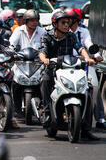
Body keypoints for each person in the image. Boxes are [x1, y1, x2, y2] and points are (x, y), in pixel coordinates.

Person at [38, 11, 99, 140]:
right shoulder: (47, 36)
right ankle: (47, 114)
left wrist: (87, 58)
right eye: (63, 23)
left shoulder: (71, 36)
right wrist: (44, 59)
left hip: (69, 69)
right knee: (45, 81)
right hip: (52, 69)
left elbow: (80, 48)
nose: (67, 25)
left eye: (68, 23)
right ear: (55, 24)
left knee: (87, 90)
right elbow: (42, 51)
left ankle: (86, 128)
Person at [65, 8, 105, 130]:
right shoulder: (62, 32)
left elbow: (88, 43)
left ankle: (100, 118)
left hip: (84, 64)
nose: (66, 23)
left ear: (75, 21)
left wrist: (96, 55)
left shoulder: (83, 32)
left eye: (68, 20)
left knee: (94, 87)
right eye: (64, 21)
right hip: (65, 65)